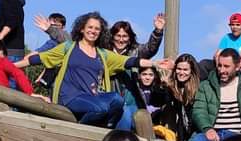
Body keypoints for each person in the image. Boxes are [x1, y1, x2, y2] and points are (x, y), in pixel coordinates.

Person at [15, 12, 171, 129]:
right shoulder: (69, 48)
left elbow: (130, 61)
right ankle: (81, 130)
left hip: (91, 96)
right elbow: (38, 58)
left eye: (97, 29)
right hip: (70, 96)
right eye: (90, 27)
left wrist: (155, 63)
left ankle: (107, 130)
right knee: (101, 108)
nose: (93, 31)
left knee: (117, 100)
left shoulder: (102, 54)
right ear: (82, 29)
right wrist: (12, 65)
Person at [108, 15, 166, 130]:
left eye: (124, 36)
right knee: (123, 118)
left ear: (129, 38)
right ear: (112, 36)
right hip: (112, 99)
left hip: (132, 101)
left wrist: (158, 31)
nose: (121, 39)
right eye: (118, 36)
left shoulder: (135, 51)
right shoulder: (106, 52)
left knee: (139, 121)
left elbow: (150, 48)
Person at [159, 53, 200, 141]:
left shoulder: (198, 90)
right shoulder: (175, 87)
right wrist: (164, 87)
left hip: (196, 131)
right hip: (183, 129)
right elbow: (159, 101)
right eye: (179, 69)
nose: (181, 73)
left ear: (192, 71)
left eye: (185, 70)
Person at [32, 13, 71, 91]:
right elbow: (49, 61)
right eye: (51, 25)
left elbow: (34, 55)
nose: (53, 28)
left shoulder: (55, 42)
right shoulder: (63, 40)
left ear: (63, 27)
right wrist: (41, 76)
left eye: (56, 26)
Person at [215, 13, 241, 79]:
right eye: (232, 25)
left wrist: (235, 66)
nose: (234, 27)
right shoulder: (226, 38)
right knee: (205, 64)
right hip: (224, 65)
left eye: (238, 25)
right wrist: (219, 67)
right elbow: (217, 55)